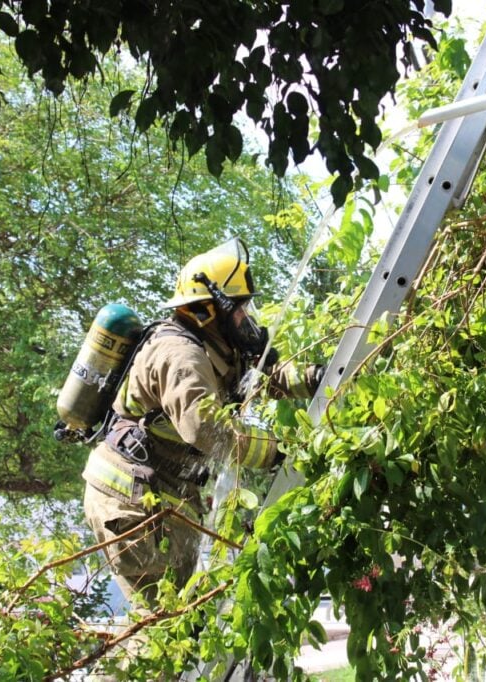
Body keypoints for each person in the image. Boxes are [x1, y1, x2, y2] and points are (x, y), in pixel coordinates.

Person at [82, 237, 322, 604]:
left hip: (162, 492)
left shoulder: (215, 345)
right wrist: (280, 453)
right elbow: (209, 432)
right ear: (208, 310)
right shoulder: (181, 355)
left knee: (183, 617)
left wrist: (314, 377)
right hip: (130, 501)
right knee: (164, 626)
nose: (247, 317)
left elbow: (261, 375)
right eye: (241, 308)